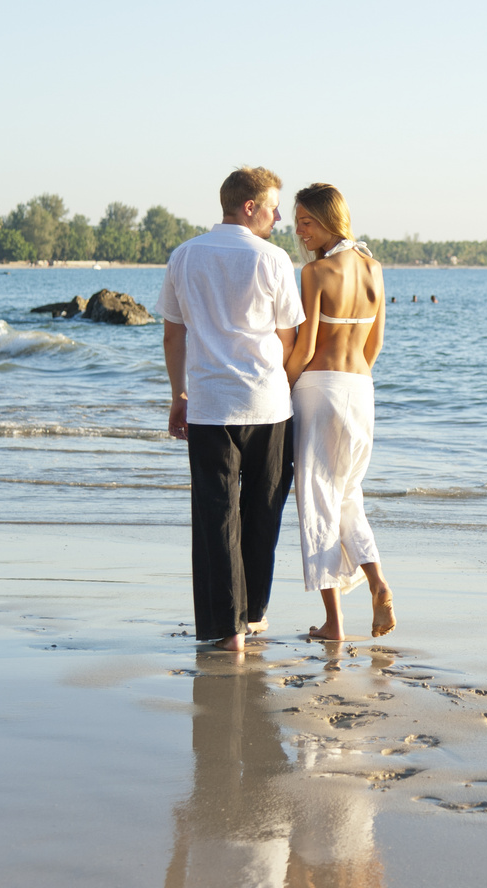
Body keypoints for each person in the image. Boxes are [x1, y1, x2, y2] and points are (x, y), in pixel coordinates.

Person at [158, 167, 305, 652]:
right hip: (266, 402)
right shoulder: (274, 259)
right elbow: (288, 335)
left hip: (208, 405)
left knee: (216, 513)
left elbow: (173, 333)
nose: (279, 216)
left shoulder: (184, 255)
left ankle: (229, 631)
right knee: (263, 508)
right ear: (250, 207)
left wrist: (178, 393)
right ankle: (255, 611)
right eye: (273, 206)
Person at [285, 182, 395, 641]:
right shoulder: (373, 268)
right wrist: (351, 380)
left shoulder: (316, 274)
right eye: (297, 222)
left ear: (331, 220)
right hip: (361, 390)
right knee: (348, 495)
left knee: (318, 502)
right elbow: (376, 345)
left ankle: (334, 622)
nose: (300, 231)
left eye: (307, 222)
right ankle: (377, 582)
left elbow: (307, 346)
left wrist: (281, 388)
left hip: (320, 389)